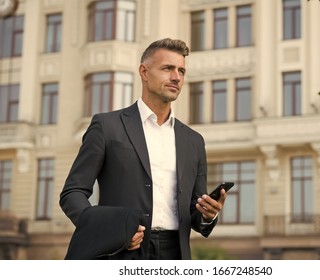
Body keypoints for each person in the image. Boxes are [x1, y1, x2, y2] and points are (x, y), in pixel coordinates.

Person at [59, 38, 227, 260]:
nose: (176, 77)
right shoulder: (107, 126)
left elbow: (195, 217)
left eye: (182, 71)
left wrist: (208, 214)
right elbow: (72, 193)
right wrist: (108, 231)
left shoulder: (194, 141)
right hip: (121, 252)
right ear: (144, 72)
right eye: (167, 68)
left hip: (175, 255)